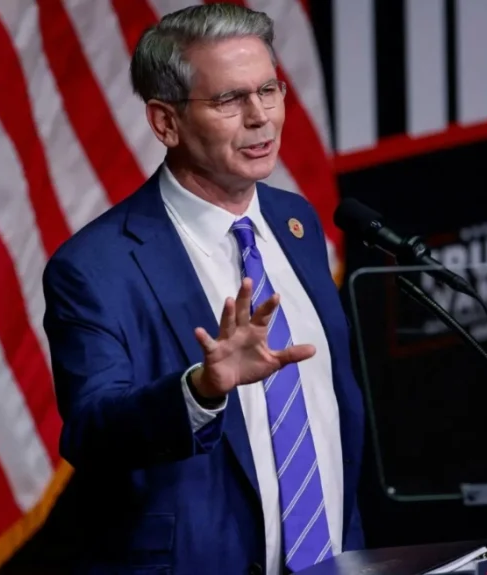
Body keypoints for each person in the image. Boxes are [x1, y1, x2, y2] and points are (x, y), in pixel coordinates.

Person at [42, 4, 366, 574]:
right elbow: (91, 432)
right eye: (229, 100)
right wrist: (200, 390)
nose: (261, 117)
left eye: (268, 90)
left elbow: (328, 415)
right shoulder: (95, 267)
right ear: (165, 122)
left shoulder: (296, 221)